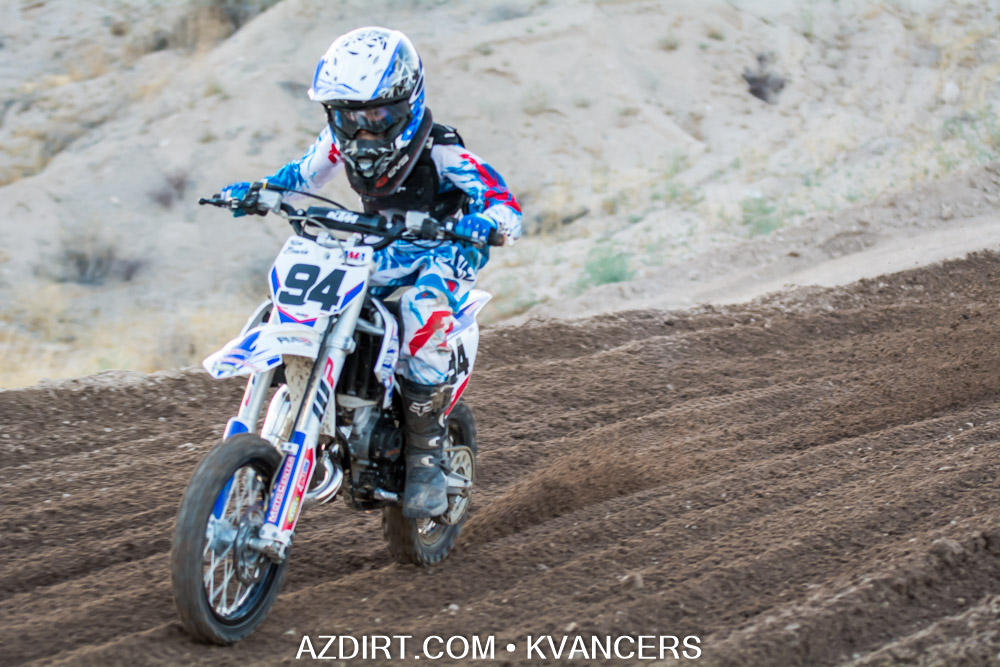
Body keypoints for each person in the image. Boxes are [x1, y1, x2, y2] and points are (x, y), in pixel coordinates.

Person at [219, 27, 521, 519]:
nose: (361, 129)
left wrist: (486, 223)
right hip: (379, 245)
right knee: (309, 288)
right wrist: (260, 191)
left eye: (375, 116)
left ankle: (424, 456)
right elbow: (301, 176)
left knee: (421, 309)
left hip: (443, 250)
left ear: (406, 103)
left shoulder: (442, 151)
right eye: (348, 116)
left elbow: (503, 202)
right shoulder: (338, 144)